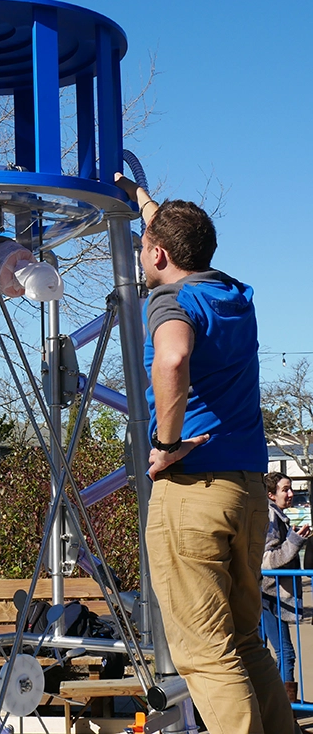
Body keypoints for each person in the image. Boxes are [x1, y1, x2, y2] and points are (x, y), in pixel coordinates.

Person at [115, 173, 296, 734]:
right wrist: (142, 200)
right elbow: (167, 233)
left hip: (192, 489)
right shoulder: (233, 294)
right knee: (246, 642)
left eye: (146, 249)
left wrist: (165, 446)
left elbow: (171, 359)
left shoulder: (171, 298)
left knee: (206, 655)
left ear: (160, 255)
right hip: (245, 490)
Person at [261, 472, 310, 702]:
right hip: (270, 596)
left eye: (290, 489)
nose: (290, 494)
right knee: (285, 653)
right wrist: (294, 541)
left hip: (270, 595)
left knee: (271, 653)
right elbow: (267, 560)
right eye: (285, 489)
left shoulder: (277, 516)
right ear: (271, 494)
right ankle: (285, 713)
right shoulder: (271, 517)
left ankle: (280, 710)